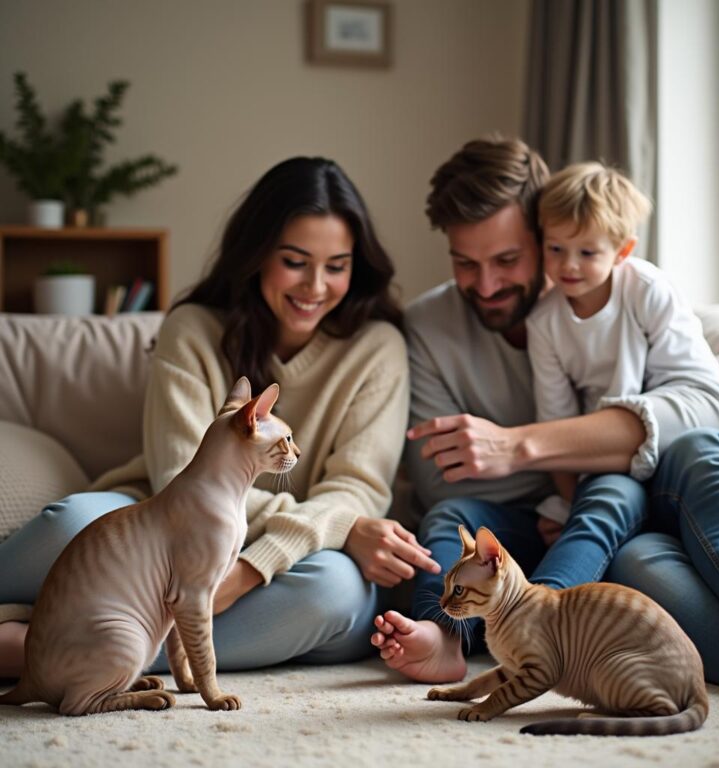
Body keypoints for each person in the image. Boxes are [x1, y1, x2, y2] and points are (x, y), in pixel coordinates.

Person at [0, 155, 440, 679]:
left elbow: (356, 492)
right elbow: (181, 477)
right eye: (295, 261)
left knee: (336, 592)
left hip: (298, 557)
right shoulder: (192, 329)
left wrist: (253, 567)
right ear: (256, 254)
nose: (315, 286)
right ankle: (78, 643)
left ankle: (40, 653)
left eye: (337, 266)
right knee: (74, 523)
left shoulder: (378, 348)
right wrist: (337, 525)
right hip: (162, 527)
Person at [370, 136, 719, 693]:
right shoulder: (432, 329)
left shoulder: (625, 291)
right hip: (537, 532)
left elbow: (716, 411)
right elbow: (442, 479)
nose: (485, 285)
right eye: (465, 263)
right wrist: (578, 476)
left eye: (507, 259)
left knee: (696, 460)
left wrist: (517, 445)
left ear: (546, 234)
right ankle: (443, 637)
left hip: (640, 502)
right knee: (458, 517)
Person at [527, 161, 719, 537]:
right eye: (556, 248)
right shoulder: (543, 323)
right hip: (607, 463)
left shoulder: (646, 290)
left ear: (622, 250)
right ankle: (548, 594)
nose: (568, 265)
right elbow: (554, 430)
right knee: (600, 505)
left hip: (672, 450)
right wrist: (570, 503)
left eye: (588, 253)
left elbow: (709, 400)